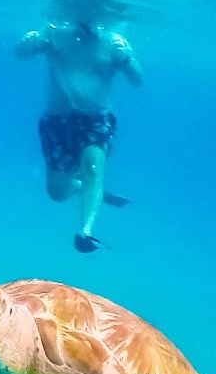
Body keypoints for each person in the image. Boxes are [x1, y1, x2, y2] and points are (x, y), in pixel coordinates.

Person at [16, 16, 143, 253]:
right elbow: (22, 53)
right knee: (57, 192)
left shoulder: (114, 40)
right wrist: (29, 43)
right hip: (57, 119)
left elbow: (137, 78)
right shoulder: (56, 32)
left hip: (96, 119)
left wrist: (125, 59)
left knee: (93, 168)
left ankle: (86, 231)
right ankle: (87, 189)